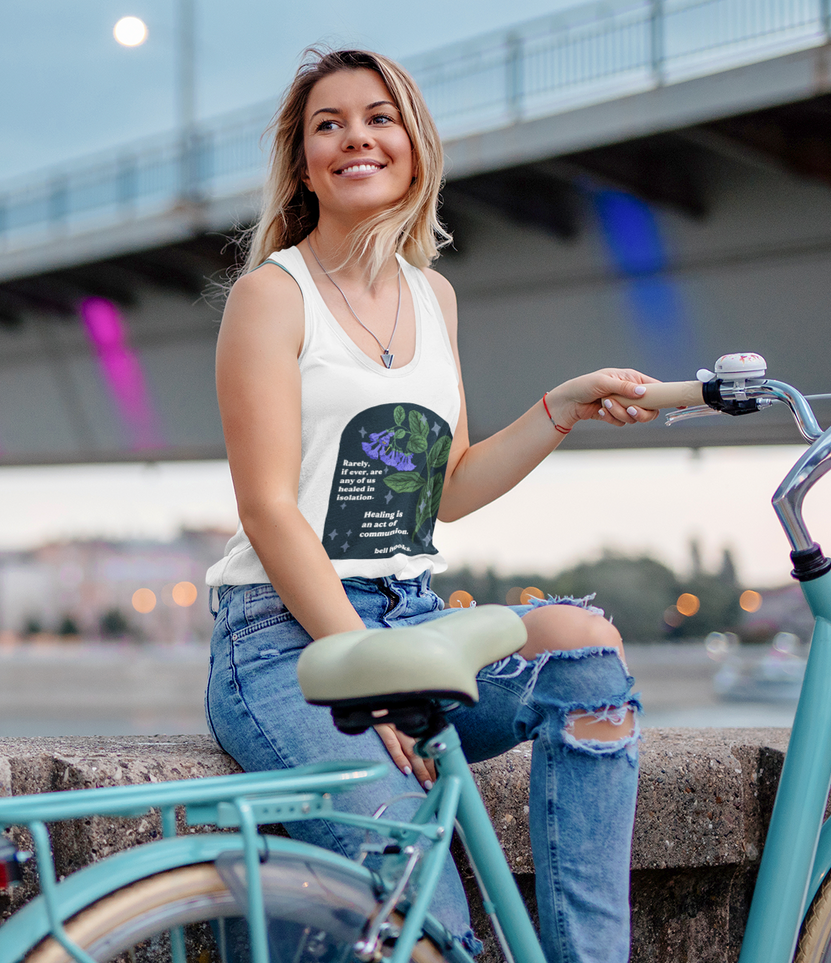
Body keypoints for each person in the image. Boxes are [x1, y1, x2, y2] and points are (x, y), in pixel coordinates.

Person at [203, 47, 654, 963]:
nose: (354, 138)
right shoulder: (269, 296)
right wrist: (360, 665)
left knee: (586, 654)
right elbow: (267, 509)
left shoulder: (430, 294)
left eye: (378, 117)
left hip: (411, 617)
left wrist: (558, 407)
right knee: (426, 904)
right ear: (302, 165)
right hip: (290, 642)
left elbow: (444, 488)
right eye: (326, 125)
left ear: (414, 145)